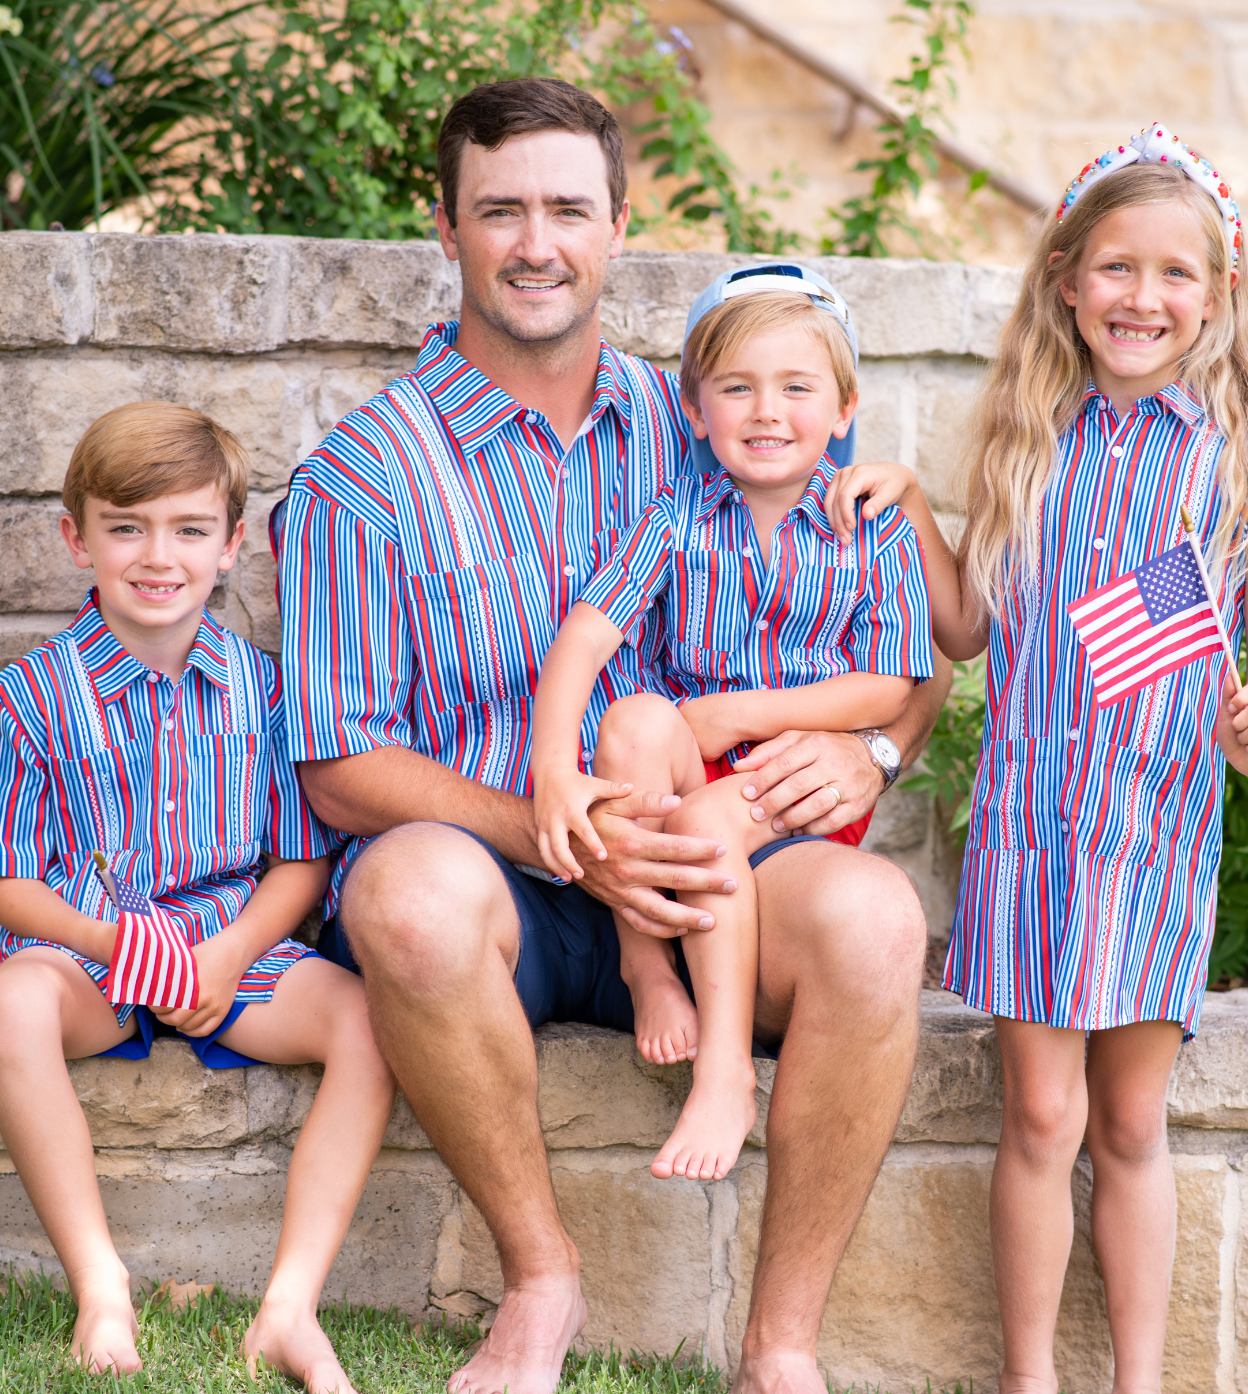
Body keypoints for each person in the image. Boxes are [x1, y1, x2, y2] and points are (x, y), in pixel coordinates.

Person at [274, 78, 949, 1394]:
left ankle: (781, 1347)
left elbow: (895, 637)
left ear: (619, 225)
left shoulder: (699, 416)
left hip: (705, 864)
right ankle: (540, 1278)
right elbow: (340, 764)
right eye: (502, 209)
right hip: (503, 895)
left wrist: (881, 748)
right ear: (446, 225)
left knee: (873, 919)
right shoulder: (365, 475)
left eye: (569, 208)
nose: (538, 241)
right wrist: (551, 830)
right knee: (407, 892)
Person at [825, 123, 1248, 1393]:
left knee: (1128, 1121)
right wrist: (905, 502)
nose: (1144, 298)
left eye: (1180, 275)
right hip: (1030, 829)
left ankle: (1137, 1379)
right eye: (1119, 268)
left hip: (1157, 829)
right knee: (1041, 1116)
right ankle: (1029, 1378)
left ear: (1219, 295)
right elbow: (967, 627)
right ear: (1066, 276)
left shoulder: (1226, 462)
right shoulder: (1026, 440)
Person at [0, 403, 395, 1394]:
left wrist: (222, 957)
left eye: (187, 529)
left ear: (229, 547)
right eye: (126, 526)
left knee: (372, 1018)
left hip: (233, 945)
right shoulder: (30, 696)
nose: (156, 554)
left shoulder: (265, 689)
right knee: (9, 1003)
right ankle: (101, 1282)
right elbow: (9, 877)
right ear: (74, 535)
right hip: (93, 950)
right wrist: (113, 942)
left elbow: (300, 861)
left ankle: (290, 1304)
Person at [531, 276, 931, 1184]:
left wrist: (740, 715)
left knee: (709, 814)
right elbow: (584, 642)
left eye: (797, 388)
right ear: (696, 409)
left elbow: (887, 684)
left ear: (843, 410)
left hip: (797, 776)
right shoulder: (676, 518)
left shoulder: (873, 528)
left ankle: (724, 1072)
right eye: (738, 387)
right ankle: (645, 964)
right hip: (685, 765)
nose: (767, 411)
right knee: (632, 721)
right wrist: (554, 765)